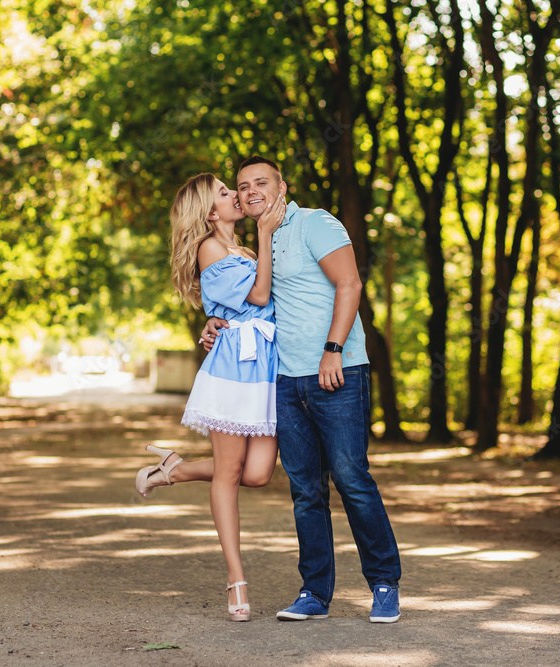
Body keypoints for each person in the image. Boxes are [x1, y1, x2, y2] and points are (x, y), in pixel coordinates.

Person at [202, 156, 402, 623]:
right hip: (284, 381)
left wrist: (333, 348)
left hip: (338, 370)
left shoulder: (315, 223)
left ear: (282, 187)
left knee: (352, 480)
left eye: (261, 183)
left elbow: (350, 284)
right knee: (305, 491)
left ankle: (384, 583)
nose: (250, 191)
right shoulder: (257, 242)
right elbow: (253, 302)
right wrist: (215, 321)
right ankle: (315, 593)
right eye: (242, 185)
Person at [135, 173, 285, 622]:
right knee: (230, 473)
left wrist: (216, 318)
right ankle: (236, 579)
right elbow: (259, 294)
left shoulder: (242, 250)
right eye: (225, 192)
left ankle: (174, 470)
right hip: (233, 371)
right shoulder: (210, 248)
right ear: (209, 211)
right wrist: (265, 230)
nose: (236, 196)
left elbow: (260, 302)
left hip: (264, 367)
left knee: (257, 474)